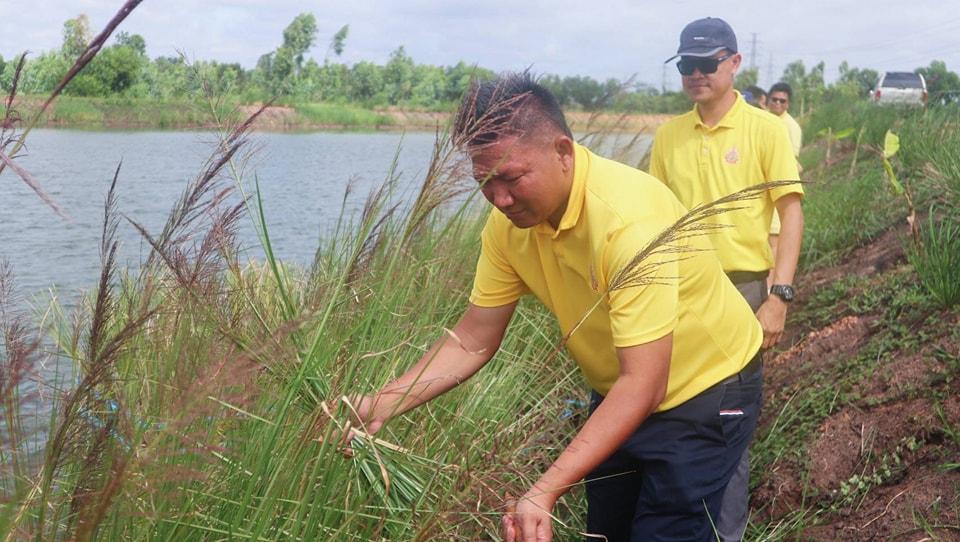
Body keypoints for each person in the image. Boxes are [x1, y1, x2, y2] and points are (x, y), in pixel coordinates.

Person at [347, 72, 764, 541]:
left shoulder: (627, 223)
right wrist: (379, 403)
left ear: (563, 152)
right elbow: (472, 339)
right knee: (606, 531)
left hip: (706, 387)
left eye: (511, 178)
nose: (499, 199)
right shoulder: (508, 226)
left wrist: (544, 490)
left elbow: (646, 382)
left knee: (670, 531)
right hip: (620, 387)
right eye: (484, 182)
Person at [648, 17, 804, 542]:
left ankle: (726, 533)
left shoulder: (765, 129)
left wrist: (779, 296)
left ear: (734, 63)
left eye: (706, 63)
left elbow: (791, 211)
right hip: (679, 292)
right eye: (686, 65)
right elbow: (654, 217)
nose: (695, 74)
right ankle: (678, 522)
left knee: (730, 416)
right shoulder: (668, 137)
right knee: (674, 409)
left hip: (742, 290)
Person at [766, 82, 803, 283]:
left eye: (782, 101)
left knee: (774, 240)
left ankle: (771, 287)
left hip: (777, 188)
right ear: (768, 100)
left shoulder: (790, 127)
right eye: (775, 100)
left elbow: (791, 161)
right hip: (758, 191)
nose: (778, 104)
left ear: (788, 104)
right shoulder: (761, 121)